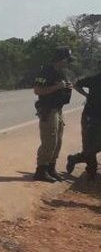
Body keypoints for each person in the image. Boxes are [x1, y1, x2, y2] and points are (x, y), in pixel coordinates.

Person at [32, 47, 74, 182]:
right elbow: (37, 90)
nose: (68, 63)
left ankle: (51, 167)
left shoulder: (61, 72)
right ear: (61, 59)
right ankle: (41, 170)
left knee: (58, 140)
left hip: (58, 108)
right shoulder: (46, 71)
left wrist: (67, 87)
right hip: (48, 109)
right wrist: (57, 87)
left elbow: (61, 86)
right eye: (67, 60)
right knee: (49, 140)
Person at [66, 69, 101, 181]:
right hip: (90, 116)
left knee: (95, 145)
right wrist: (86, 95)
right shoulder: (94, 79)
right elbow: (76, 84)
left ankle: (75, 158)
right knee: (89, 144)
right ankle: (90, 171)